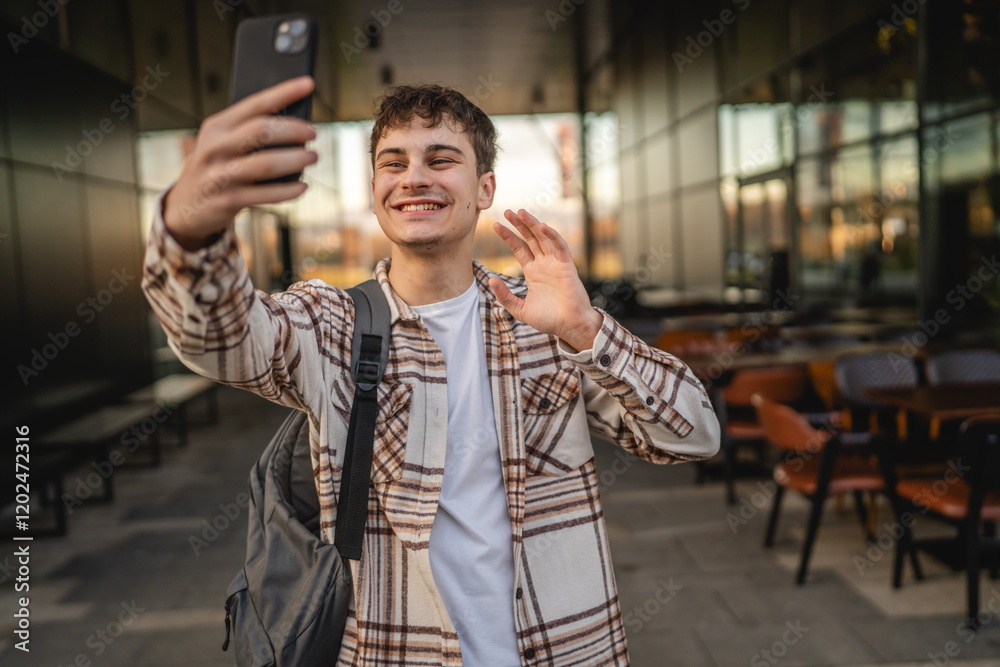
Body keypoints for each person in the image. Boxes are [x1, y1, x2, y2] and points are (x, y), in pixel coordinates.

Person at [141, 75, 720, 666]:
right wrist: (192, 231)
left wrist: (585, 331)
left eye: (441, 159)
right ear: (374, 191)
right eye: (393, 163)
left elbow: (693, 434)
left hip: (563, 649)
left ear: (484, 186)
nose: (414, 176)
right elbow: (220, 339)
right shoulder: (333, 324)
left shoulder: (545, 321)